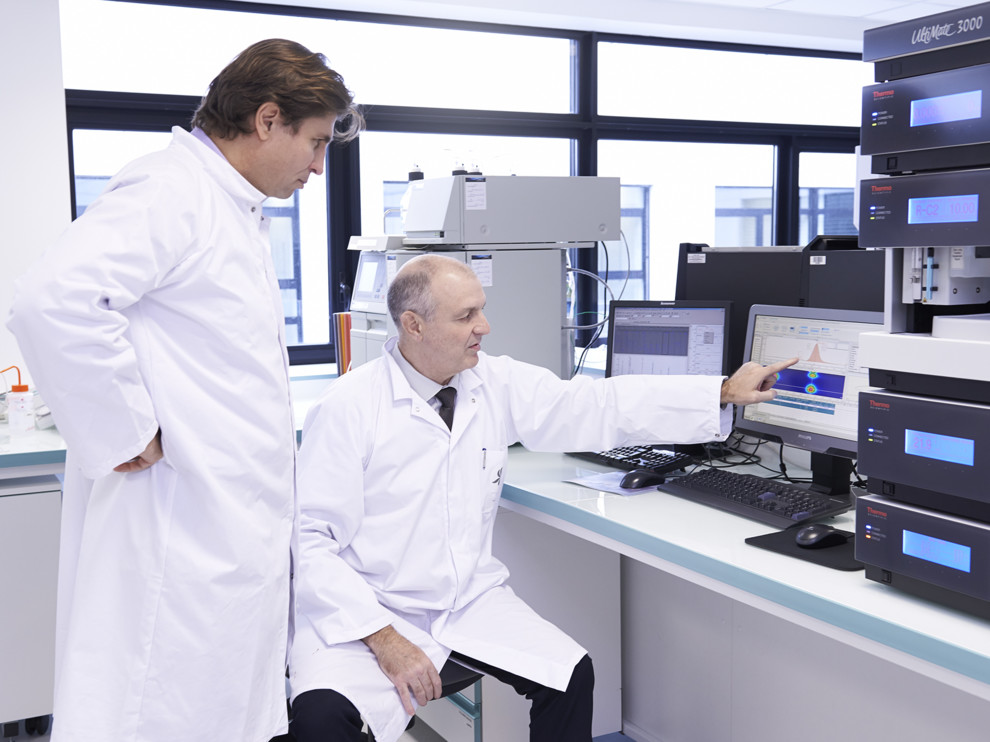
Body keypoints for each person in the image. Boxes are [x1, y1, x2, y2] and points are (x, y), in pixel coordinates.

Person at [6, 39, 361, 742]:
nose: (320, 167)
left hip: (222, 538)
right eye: (316, 143)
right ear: (267, 119)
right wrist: (126, 427)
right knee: (161, 710)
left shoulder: (230, 207)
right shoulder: (174, 190)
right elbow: (50, 301)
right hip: (179, 534)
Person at [288, 254, 797, 742]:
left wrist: (721, 392)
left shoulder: (493, 381)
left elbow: (596, 404)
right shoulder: (348, 408)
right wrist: (384, 638)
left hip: (465, 603)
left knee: (570, 675)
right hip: (368, 610)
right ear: (413, 326)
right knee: (320, 720)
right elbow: (310, 543)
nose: (484, 326)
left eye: (482, 309)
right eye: (466, 316)